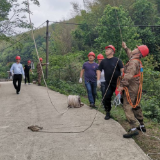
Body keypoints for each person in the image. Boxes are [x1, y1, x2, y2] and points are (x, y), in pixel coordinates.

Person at [118, 42, 149, 138]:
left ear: (138, 53)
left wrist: (121, 85)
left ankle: (133, 129)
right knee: (136, 106)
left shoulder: (133, 63)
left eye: (137, 48)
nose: (134, 49)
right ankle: (142, 125)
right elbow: (130, 54)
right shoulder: (136, 60)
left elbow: (128, 75)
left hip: (130, 88)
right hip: (136, 87)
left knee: (127, 106)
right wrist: (125, 47)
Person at [97, 45, 124, 120]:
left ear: (112, 52)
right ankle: (108, 112)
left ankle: (128, 114)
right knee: (107, 97)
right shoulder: (103, 61)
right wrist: (98, 80)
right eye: (106, 49)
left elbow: (122, 69)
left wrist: (123, 79)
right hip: (108, 83)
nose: (106, 50)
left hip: (118, 83)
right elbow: (98, 70)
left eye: (108, 49)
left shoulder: (117, 60)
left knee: (122, 99)